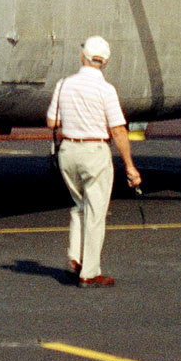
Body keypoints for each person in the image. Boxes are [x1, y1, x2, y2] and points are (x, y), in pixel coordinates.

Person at [46, 35, 141, 288]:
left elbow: (51, 122)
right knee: (96, 213)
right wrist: (130, 166)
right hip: (95, 151)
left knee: (79, 205)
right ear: (105, 61)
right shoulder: (106, 90)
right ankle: (90, 272)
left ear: (83, 56)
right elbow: (119, 130)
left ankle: (75, 258)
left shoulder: (64, 84)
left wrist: (75, 121)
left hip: (68, 151)